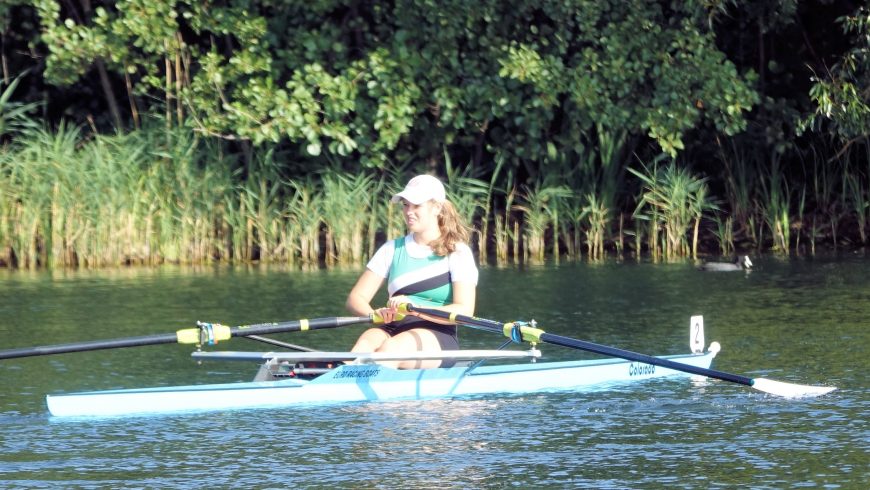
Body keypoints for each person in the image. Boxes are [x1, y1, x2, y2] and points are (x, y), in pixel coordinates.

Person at [346, 174, 478, 369]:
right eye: (406, 205)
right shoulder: (391, 249)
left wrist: (414, 309)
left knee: (389, 350)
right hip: (392, 327)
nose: (409, 211)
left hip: (437, 333)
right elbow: (355, 298)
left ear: (437, 208)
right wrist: (375, 313)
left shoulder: (457, 252)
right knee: (364, 345)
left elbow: (465, 310)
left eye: (416, 206)